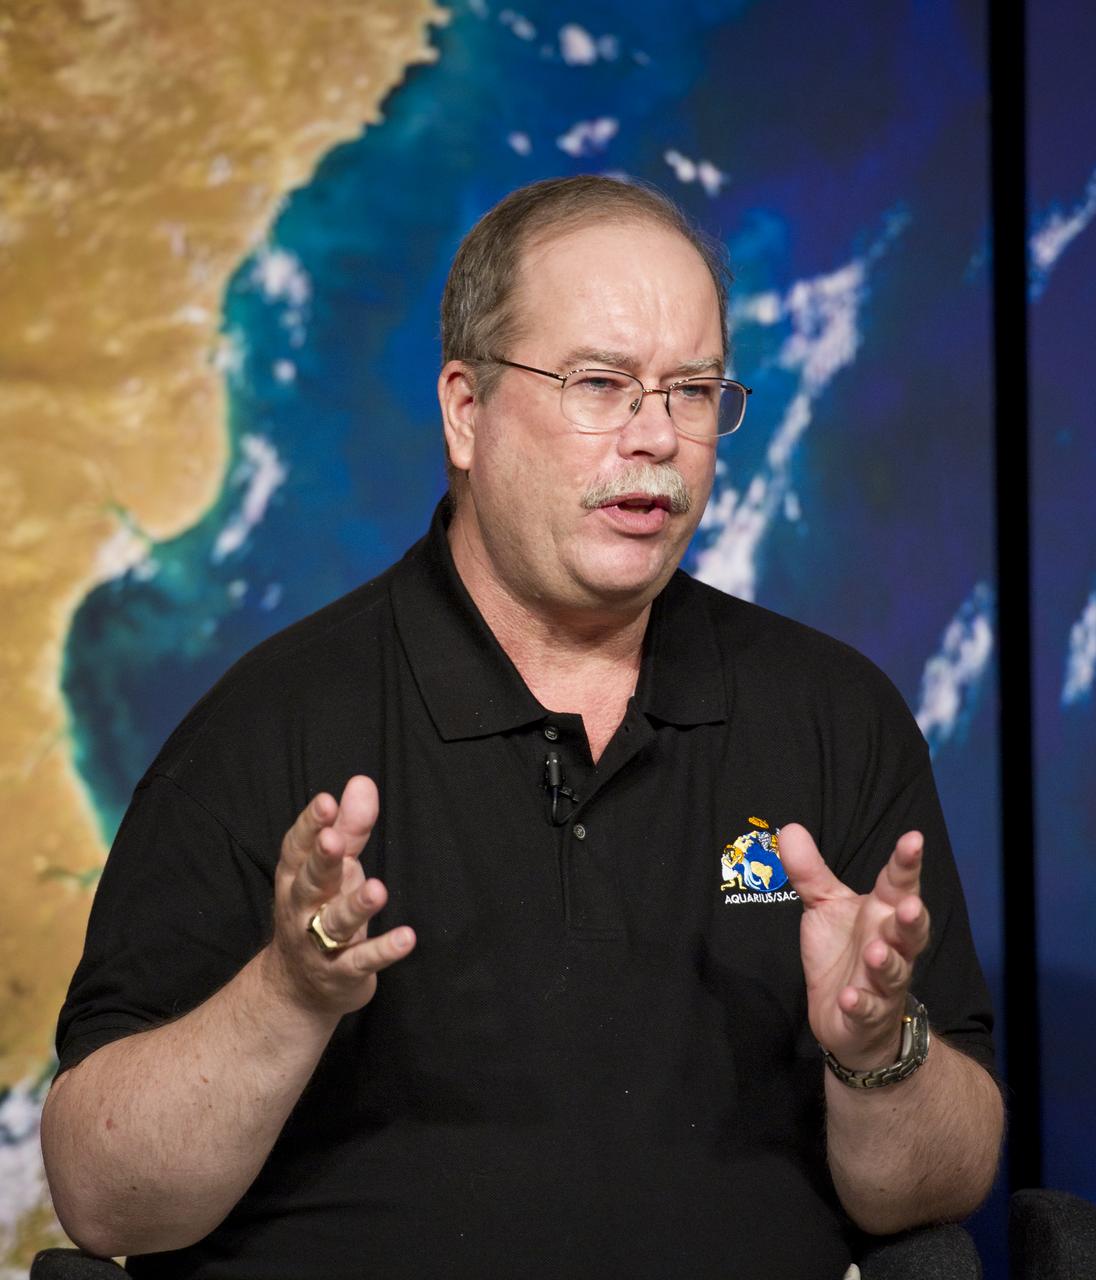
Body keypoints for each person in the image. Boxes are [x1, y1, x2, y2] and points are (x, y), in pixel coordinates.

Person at [41, 176, 1004, 1279]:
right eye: (601, 384)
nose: (657, 438)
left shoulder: (834, 716)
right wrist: (289, 994)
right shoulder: (271, 728)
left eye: (692, 392)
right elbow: (103, 1198)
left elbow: (942, 1184)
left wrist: (877, 1052)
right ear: (464, 409)